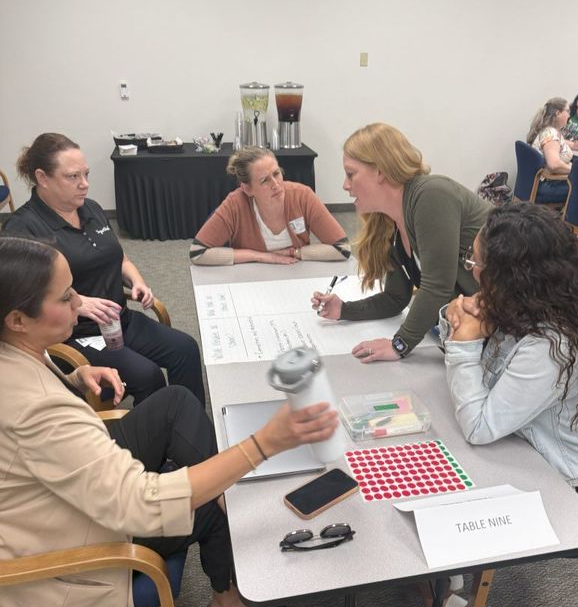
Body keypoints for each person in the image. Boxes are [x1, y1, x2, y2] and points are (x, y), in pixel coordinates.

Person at [0, 236, 338, 607]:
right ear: (18, 318)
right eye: (66, 296)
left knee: (176, 402)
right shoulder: (36, 408)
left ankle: (231, 508)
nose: (79, 302)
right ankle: (227, 601)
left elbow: (38, 409)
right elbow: (140, 504)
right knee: (207, 499)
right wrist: (263, 444)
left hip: (55, 483)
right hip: (66, 534)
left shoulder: (15, 348)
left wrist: (74, 378)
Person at [2, 132, 205, 406]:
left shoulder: (92, 209)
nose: (84, 184)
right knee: (148, 376)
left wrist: (137, 281)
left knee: (186, 349)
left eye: (86, 174)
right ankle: (153, 431)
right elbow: (20, 298)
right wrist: (77, 303)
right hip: (76, 333)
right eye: (73, 177)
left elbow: (119, 258)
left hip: (118, 320)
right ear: (42, 178)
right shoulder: (23, 229)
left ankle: (190, 422)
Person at [442, 203, 578, 498]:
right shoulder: (526, 304)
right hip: (521, 451)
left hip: (569, 483)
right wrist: (455, 318)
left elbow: (479, 427)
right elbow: (476, 380)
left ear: (508, 276)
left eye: (475, 262)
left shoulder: (552, 347)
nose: (471, 270)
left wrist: (464, 343)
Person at [310, 123, 491, 361]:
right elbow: (395, 299)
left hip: (510, 333)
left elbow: (438, 286)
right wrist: (344, 309)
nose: (345, 185)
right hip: (474, 332)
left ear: (380, 171)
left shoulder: (431, 196)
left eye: (351, 174)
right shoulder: (393, 222)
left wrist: (399, 345)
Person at [189, 147, 350, 266]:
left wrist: (296, 253)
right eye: (264, 180)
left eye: (276, 174)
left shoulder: (302, 196)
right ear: (247, 189)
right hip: (249, 280)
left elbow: (342, 249)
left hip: (295, 273)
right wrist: (261, 256)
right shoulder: (235, 204)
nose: (276, 184)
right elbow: (197, 252)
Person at [526, 98, 573, 203]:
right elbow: (554, 165)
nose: (569, 115)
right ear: (558, 113)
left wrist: (575, 145)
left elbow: (556, 144)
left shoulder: (548, 131)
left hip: (541, 183)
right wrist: (577, 171)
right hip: (548, 186)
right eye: (567, 111)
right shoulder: (551, 134)